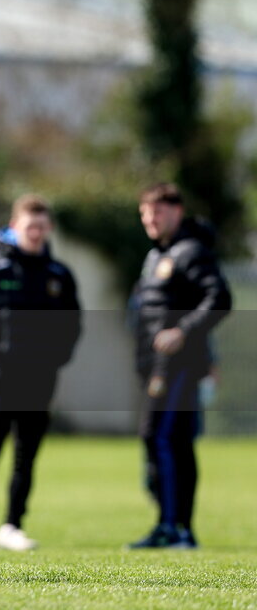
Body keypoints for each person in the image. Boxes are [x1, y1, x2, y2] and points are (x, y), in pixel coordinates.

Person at [0, 194, 81, 552]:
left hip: (41, 382)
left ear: (49, 229)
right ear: (15, 227)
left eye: (42, 227)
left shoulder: (59, 274)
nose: (36, 233)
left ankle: (12, 525)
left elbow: (73, 323)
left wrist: (58, 356)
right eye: (30, 227)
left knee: (26, 457)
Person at [128, 183, 231, 549]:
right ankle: (170, 526)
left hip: (181, 366)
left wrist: (182, 332)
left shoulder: (190, 252)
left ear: (176, 211)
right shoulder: (156, 256)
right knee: (167, 441)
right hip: (157, 368)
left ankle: (176, 528)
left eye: (157, 212)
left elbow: (219, 298)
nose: (150, 220)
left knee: (164, 438)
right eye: (145, 214)